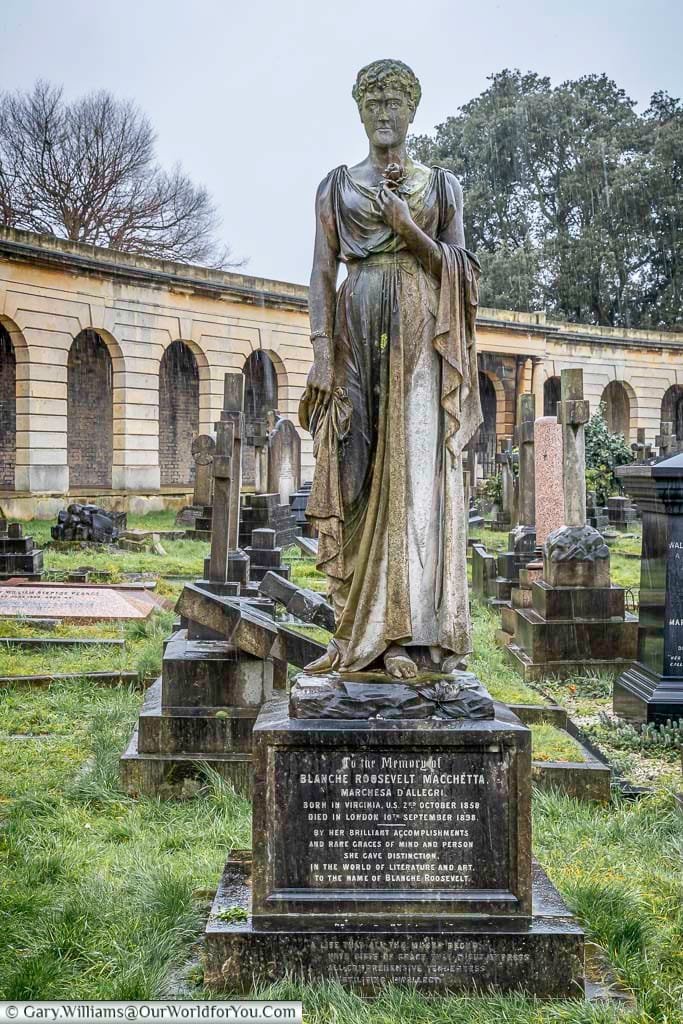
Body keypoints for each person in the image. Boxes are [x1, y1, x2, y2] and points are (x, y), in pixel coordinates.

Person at [299, 59, 482, 680]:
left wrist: (408, 230)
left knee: (411, 481)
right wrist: (323, 353)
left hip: (418, 343)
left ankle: (401, 636)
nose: (384, 112)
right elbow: (323, 272)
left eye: (394, 102)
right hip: (355, 331)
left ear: (412, 111)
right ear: (359, 111)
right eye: (373, 103)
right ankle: (351, 628)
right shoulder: (336, 185)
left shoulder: (440, 187)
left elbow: (463, 272)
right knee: (348, 467)